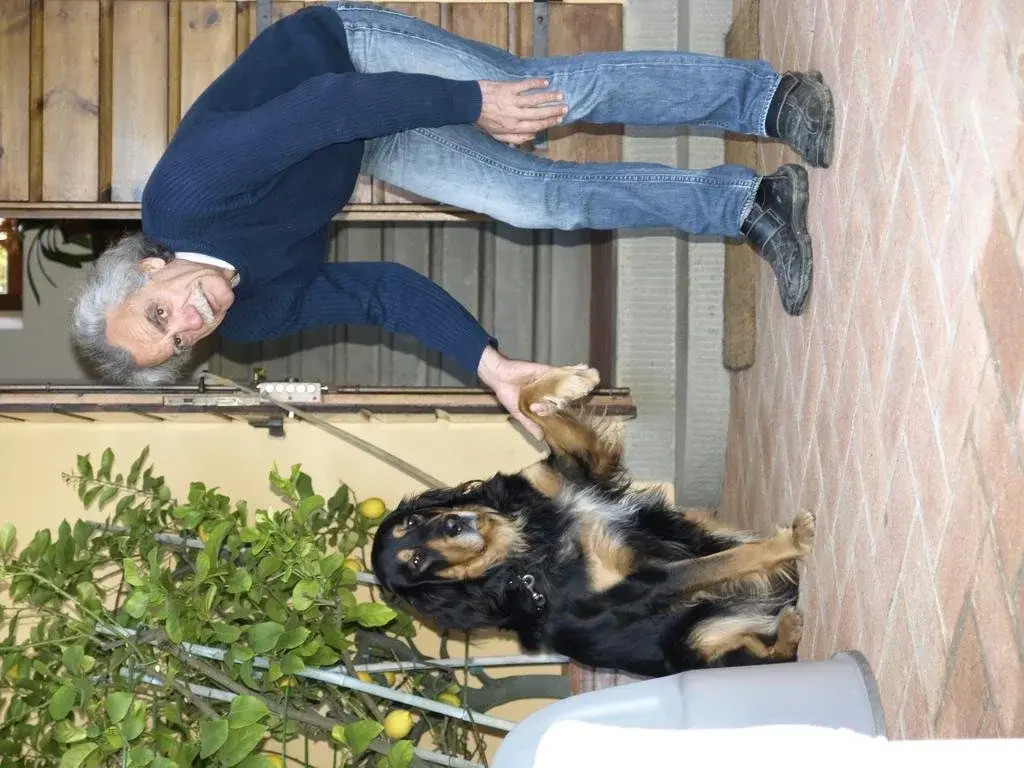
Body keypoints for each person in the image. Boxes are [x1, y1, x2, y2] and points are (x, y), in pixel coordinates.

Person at [70, 2, 834, 439]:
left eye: (161, 313)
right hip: (357, 137)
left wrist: (475, 101)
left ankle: (768, 99)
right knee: (535, 201)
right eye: (179, 341)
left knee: (533, 96)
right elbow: (381, 295)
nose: (191, 322)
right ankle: (750, 204)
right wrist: (489, 365)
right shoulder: (249, 317)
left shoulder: (187, 194)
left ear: (148, 268)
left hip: (343, 63)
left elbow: (321, 108)